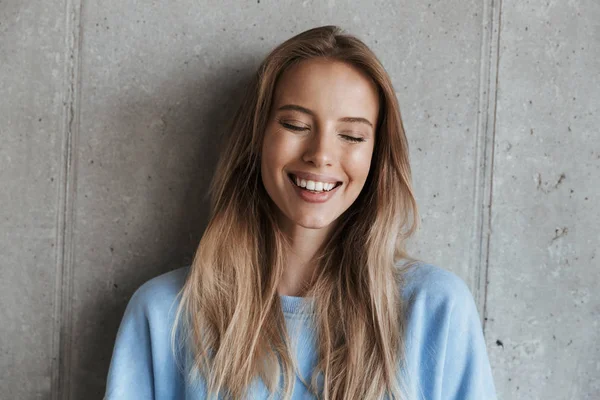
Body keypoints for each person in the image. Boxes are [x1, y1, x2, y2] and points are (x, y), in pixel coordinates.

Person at [105, 25, 497, 399]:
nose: (321, 155)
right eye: (295, 124)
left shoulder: (436, 311)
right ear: (257, 138)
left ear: (377, 157)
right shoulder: (162, 315)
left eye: (352, 135)